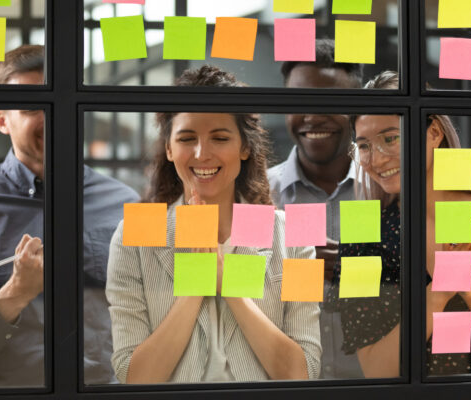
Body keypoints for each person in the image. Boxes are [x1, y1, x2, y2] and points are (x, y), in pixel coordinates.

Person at [0, 45, 139, 386]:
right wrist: (15, 292)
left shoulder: (124, 203)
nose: (52, 117)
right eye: (34, 107)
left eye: (66, 103)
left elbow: (147, 314)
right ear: (1, 119)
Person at [106, 65, 321, 383]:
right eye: (186, 138)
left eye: (219, 138)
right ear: (169, 148)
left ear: (245, 147)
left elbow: (305, 373)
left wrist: (229, 285)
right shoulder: (131, 235)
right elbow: (133, 376)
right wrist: (195, 287)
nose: (201, 153)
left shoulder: (294, 236)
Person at [327, 70, 471, 377]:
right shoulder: (362, 235)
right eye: (364, 145)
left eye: (390, 138)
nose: (377, 159)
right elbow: (377, 370)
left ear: (434, 132)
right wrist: (437, 294)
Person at [267, 38, 367, 379]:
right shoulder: (256, 195)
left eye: (330, 101)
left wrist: (356, 268)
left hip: (377, 385)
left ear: (356, 109)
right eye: (299, 100)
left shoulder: (389, 192)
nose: (312, 116)